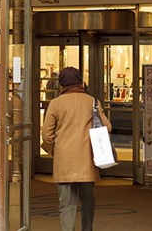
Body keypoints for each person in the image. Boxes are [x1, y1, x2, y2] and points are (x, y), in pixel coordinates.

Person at [40, 67, 112, 231]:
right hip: (87, 160)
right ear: (80, 81)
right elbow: (107, 127)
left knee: (67, 205)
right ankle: (87, 228)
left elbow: (46, 135)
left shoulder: (56, 104)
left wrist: (53, 151)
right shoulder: (92, 102)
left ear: (61, 84)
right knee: (87, 202)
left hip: (63, 162)